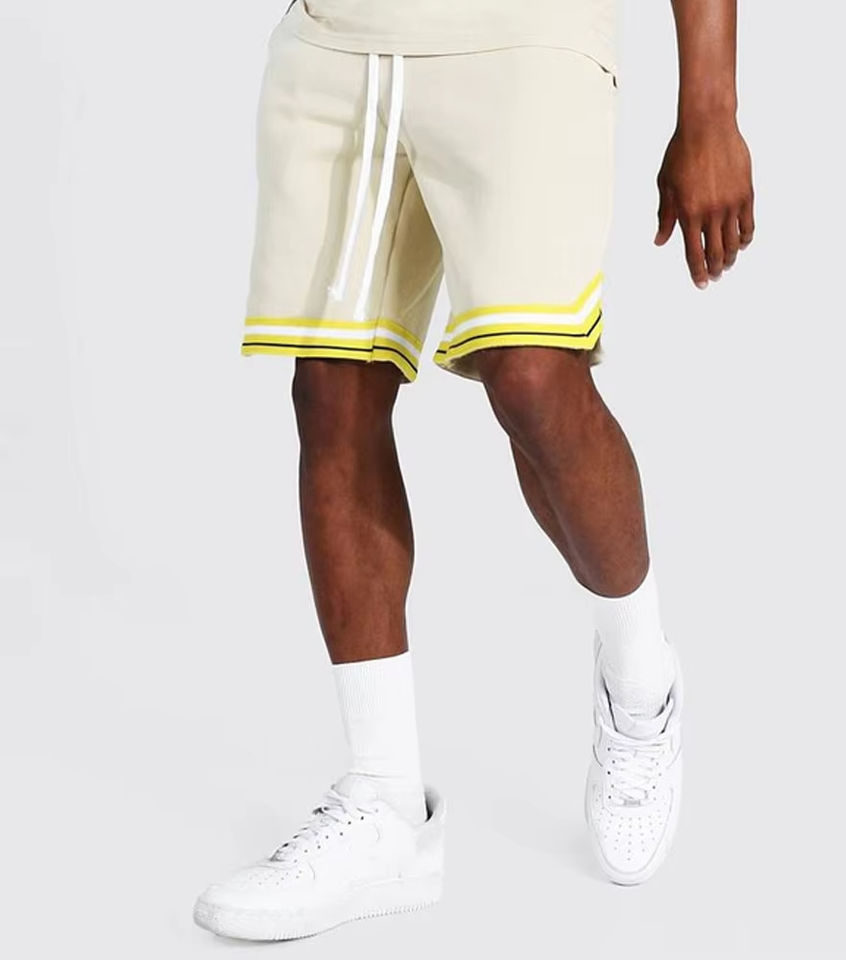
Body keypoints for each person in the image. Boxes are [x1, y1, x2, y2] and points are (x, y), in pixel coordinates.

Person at [194, 0, 754, 941]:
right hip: (341, 41)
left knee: (532, 377)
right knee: (331, 391)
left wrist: (710, 105)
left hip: (529, 37)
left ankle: (640, 681)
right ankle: (384, 805)